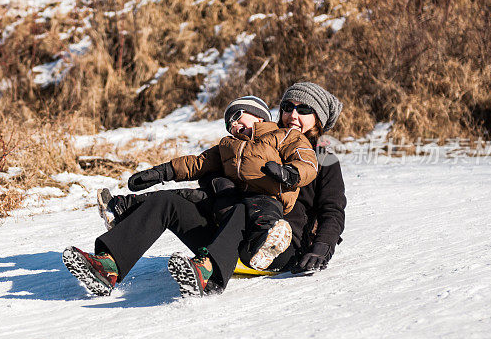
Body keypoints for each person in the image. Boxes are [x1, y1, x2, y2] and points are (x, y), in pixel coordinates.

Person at [62, 95, 319, 297]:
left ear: (259, 115)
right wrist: (160, 172)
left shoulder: (283, 136)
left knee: (248, 208)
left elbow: (306, 160)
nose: (234, 124)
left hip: (264, 215)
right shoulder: (227, 146)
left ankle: (232, 258)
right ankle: (108, 267)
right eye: (229, 122)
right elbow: (195, 163)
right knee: (170, 202)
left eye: (238, 116)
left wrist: (291, 175)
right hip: (226, 227)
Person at [100, 82, 346, 278]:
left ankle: (208, 270)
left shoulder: (323, 158)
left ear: (319, 119)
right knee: (169, 202)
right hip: (229, 236)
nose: (293, 115)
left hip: (275, 246)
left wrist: (322, 247)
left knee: (244, 204)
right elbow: (203, 168)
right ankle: (108, 265)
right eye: (287, 107)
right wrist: (210, 182)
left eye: (303, 110)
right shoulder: (254, 142)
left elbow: (333, 210)